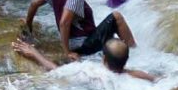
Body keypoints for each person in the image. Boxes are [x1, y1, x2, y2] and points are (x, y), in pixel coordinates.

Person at [24, 0, 137, 61]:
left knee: (111, 39)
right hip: (84, 45)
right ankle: (135, 52)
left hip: (75, 41)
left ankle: (123, 52)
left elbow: (34, 4)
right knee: (116, 17)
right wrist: (67, 52)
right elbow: (64, 23)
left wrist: (28, 26)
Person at [12, 37, 155, 81]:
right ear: (126, 59)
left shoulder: (93, 72)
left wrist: (34, 53)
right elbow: (155, 79)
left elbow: (56, 70)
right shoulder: (132, 75)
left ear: (104, 59)